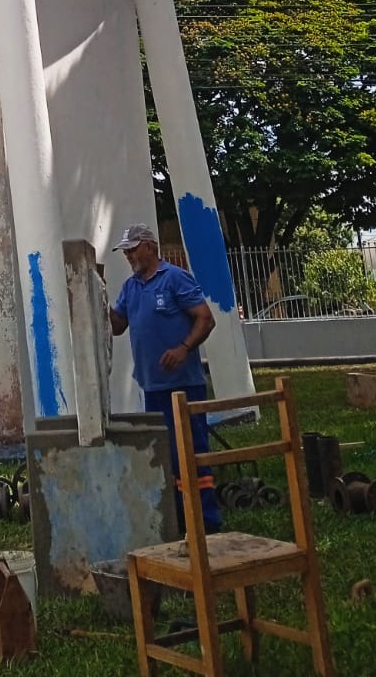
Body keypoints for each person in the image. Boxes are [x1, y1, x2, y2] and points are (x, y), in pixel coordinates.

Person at [109, 223, 221, 533]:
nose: (129, 255)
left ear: (149, 246)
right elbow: (118, 326)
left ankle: (207, 524)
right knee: (167, 458)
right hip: (153, 387)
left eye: (133, 249)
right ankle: (178, 522)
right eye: (126, 251)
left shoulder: (174, 278)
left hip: (184, 387)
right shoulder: (131, 287)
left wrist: (184, 348)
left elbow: (205, 318)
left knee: (191, 454)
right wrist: (95, 296)